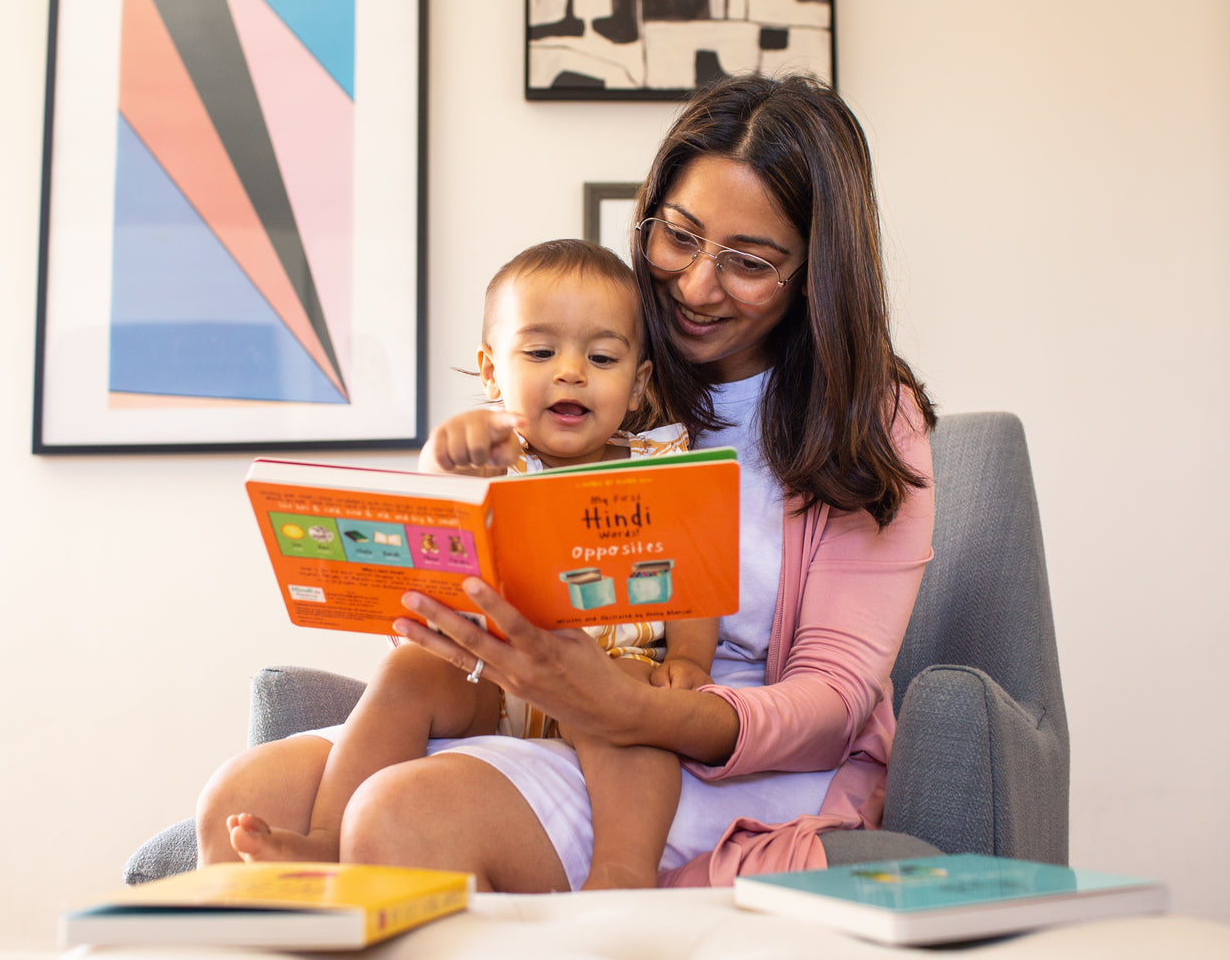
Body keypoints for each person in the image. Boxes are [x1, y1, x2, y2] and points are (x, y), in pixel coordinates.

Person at [195, 73, 936, 895]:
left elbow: (832, 697)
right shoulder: (595, 363)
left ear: (813, 271)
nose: (696, 286)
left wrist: (640, 703)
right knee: (240, 798)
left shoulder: (867, 416)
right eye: (679, 236)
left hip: (715, 745)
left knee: (405, 814)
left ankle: (616, 885)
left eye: (750, 262)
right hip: (528, 698)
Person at [220, 239, 719, 890]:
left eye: (601, 357)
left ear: (637, 384)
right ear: (491, 372)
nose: (571, 372)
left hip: (606, 672)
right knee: (409, 667)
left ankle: (622, 869)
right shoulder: (489, 456)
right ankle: (325, 837)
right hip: (491, 676)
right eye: (540, 353)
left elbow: (696, 576)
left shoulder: (660, 465)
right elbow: (436, 516)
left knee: (636, 709)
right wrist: (445, 460)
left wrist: (691, 659)